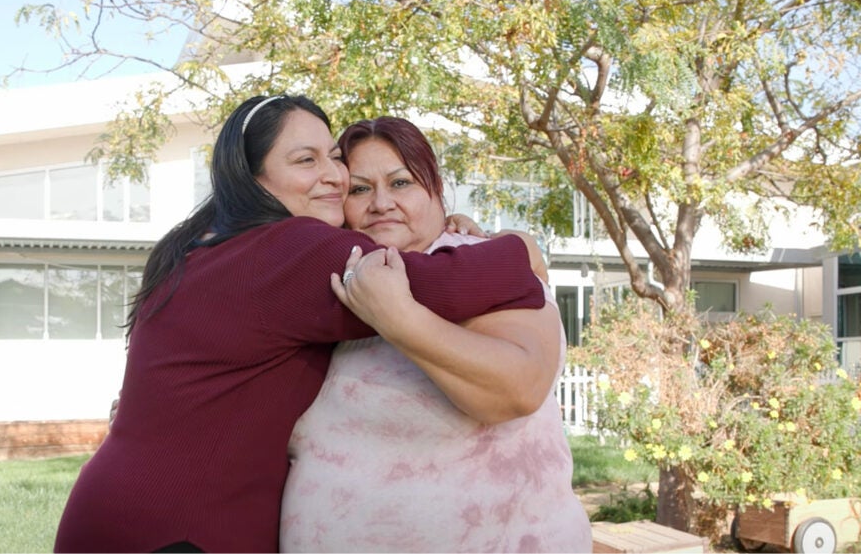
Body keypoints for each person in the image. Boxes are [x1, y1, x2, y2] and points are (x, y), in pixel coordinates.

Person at [53, 96, 547, 553]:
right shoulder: (290, 247)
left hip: (117, 506)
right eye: (305, 161)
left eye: (334, 156)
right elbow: (440, 284)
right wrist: (521, 245)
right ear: (252, 178)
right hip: (183, 526)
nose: (332, 174)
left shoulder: (199, 246)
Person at [280, 117, 592, 553]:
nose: (381, 203)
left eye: (401, 182)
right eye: (360, 189)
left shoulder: (479, 267)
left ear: (436, 190)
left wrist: (400, 318)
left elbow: (516, 388)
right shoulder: (336, 279)